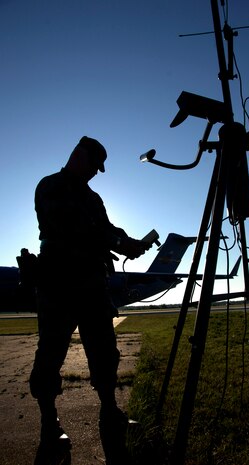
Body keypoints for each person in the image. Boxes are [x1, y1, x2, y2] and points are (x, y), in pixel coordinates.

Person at [30, 136, 149, 465]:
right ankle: (48, 423)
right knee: (50, 355)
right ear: (79, 157)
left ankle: (110, 411)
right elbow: (71, 226)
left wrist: (132, 242)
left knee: (104, 352)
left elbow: (107, 228)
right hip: (59, 286)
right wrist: (116, 241)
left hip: (93, 288)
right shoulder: (50, 186)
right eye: (95, 167)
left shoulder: (93, 198)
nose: (97, 174)